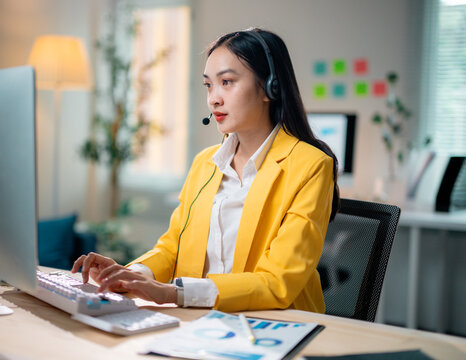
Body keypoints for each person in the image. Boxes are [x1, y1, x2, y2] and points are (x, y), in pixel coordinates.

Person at [72, 28, 340, 313]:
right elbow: (171, 248)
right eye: (209, 85)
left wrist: (172, 293)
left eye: (226, 82)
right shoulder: (206, 163)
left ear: (269, 87)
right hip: (199, 322)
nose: (214, 99)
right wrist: (135, 275)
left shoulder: (311, 166)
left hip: (275, 324)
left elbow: (278, 282)